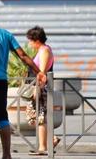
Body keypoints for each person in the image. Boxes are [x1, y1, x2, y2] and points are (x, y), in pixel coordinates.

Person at [0, 5, 45, 159]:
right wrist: (38, 72)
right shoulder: (6, 34)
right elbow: (23, 55)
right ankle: (6, 154)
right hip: (0, 82)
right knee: (2, 118)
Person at [25, 26, 61, 156]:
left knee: (40, 118)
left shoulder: (45, 50)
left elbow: (42, 72)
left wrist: (37, 89)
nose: (29, 43)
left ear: (36, 40)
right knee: (36, 118)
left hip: (42, 89)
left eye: (30, 40)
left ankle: (43, 147)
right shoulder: (42, 50)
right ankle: (50, 140)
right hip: (41, 88)